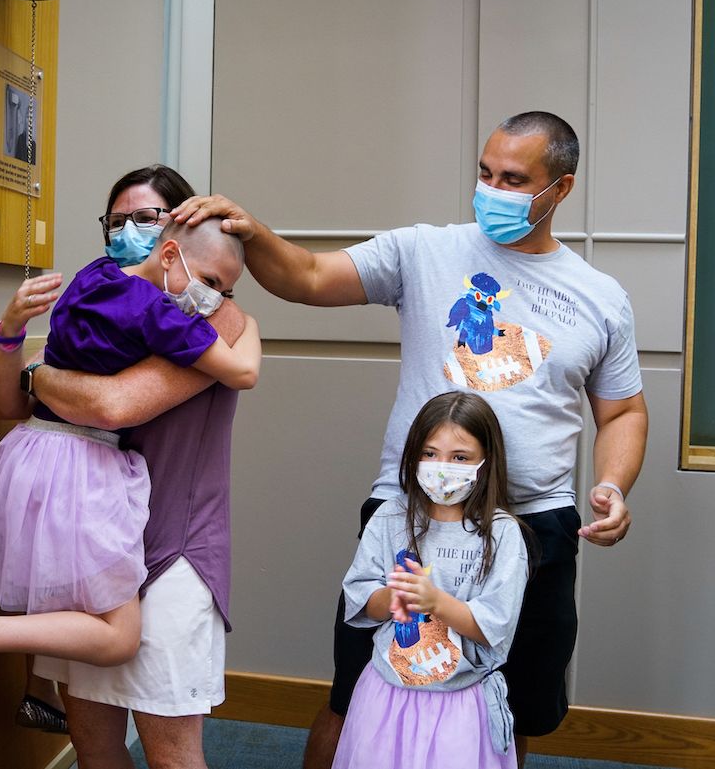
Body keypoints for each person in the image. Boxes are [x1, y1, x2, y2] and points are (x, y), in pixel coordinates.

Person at [173, 111, 649, 768]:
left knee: (510, 703)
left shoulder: (600, 297)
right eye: (485, 173)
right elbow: (308, 276)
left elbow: (622, 410)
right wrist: (253, 235)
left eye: (514, 179)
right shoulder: (425, 250)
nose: (492, 189)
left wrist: (612, 485)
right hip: (412, 519)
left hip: (534, 527)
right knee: (357, 693)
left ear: (560, 189)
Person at [0, 213, 261, 690]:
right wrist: (252, 326)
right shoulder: (162, 318)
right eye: (210, 283)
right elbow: (242, 372)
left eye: (224, 291)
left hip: (27, 453)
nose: (212, 299)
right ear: (171, 253)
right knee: (120, 637)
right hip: (81, 468)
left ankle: (39, 696)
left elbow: (25, 386)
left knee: (70, 608)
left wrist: (31, 365)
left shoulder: (94, 275)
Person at [333, 391, 529, 769]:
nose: (442, 467)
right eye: (429, 453)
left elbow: (495, 626)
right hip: (386, 694)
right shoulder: (391, 516)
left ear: (485, 463)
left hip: (460, 700)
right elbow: (360, 595)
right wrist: (392, 597)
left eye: (459, 458)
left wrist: (435, 601)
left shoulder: (502, 534)